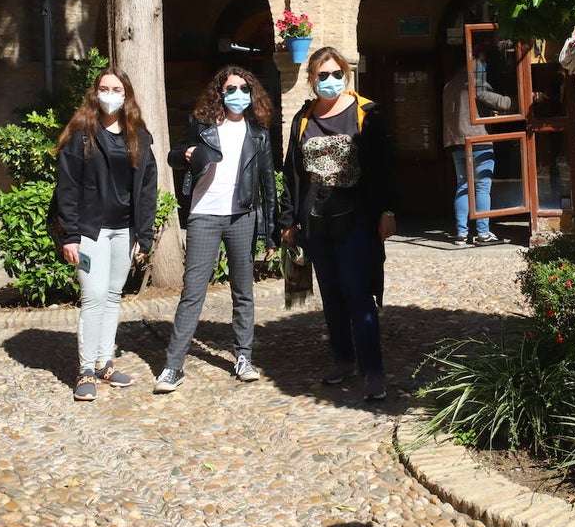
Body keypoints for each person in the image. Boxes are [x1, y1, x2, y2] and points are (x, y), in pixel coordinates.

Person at [279, 46, 395, 402]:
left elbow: (385, 165)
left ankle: (372, 371)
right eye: (322, 75)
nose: (330, 80)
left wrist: (388, 211)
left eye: (335, 73)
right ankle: (343, 359)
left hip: (357, 219)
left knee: (358, 293)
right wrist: (287, 220)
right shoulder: (303, 118)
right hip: (316, 222)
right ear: (312, 80)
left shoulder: (367, 112)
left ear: (345, 74)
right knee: (330, 295)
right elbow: (292, 172)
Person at [154, 66, 278, 393]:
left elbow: (268, 185)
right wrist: (187, 153)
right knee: (192, 292)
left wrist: (269, 233)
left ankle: (243, 357)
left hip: (242, 217)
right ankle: (173, 366)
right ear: (220, 93)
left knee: (243, 291)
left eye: (244, 88)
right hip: (204, 216)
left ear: (252, 94)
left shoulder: (259, 134)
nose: (238, 94)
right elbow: (172, 156)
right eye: (231, 88)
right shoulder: (202, 125)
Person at [52, 67, 158, 401]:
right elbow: (67, 188)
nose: (110, 93)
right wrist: (70, 236)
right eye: (104, 87)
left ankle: (104, 362)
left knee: (112, 296)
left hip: (123, 231)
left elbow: (148, 187)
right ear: (95, 93)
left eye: (116, 88)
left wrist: (145, 233)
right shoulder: (80, 132)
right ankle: (85, 370)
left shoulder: (138, 136)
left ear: (126, 95)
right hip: (89, 233)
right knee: (93, 296)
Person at [441, 47, 543, 245]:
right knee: (482, 188)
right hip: (477, 141)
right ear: (477, 59)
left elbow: (466, 111)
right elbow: (499, 101)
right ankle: (482, 233)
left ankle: (461, 234)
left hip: (455, 142)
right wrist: (527, 98)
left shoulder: (450, 85)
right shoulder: (474, 79)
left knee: (462, 186)